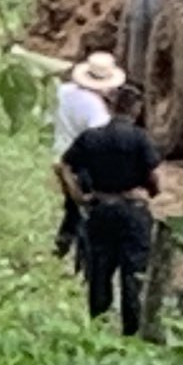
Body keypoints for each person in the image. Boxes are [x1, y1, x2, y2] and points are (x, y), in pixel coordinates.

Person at [64, 82, 162, 337]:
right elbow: (155, 179)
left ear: (111, 107)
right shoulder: (140, 139)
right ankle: (131, 332)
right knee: (133, 273)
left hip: (100, 208)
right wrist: (151, 192)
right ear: (137, 110)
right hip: (133, 211)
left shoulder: (91, 137)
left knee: (100, 269)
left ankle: (97, 329)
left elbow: (63, 165)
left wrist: (78, 196)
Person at [54, 52, 123, 265]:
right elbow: (97, 141)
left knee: (71, 205)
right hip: (82, 163)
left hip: (60, 153)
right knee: (85, 207)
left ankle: (63, 243)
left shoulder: (63, 92)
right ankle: (81, 255)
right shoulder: (96, 109)